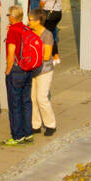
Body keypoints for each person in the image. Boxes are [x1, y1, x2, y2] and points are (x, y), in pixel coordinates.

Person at [1, 5, 36, 147]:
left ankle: (17, 136)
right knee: (26, 102)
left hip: (16, 70)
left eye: (8, 14)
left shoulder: (13, 31)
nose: (7, 17)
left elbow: (11, 53)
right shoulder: (27, 29)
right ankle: (28, 133)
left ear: (12, 17)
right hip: (28, 69)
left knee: (14, 103)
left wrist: (8, 70)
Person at [26, 8, 58, 136]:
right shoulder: (30, 32)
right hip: (32, 69)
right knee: (32, 98)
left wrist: (31, 53)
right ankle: (35, 124)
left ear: (39, 21)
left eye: (31, 20)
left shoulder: (47, 35)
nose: (28, 22)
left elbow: (47, 55)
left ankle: (51, 124)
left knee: (41, 98)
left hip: (44, 70)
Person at [39, 0, 65, 65]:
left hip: (48, 12)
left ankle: (55, 55)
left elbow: (43, 1)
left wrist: (39, 8)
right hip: (58, 12)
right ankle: (51, 54)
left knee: (47, 35)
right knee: (50, 33)